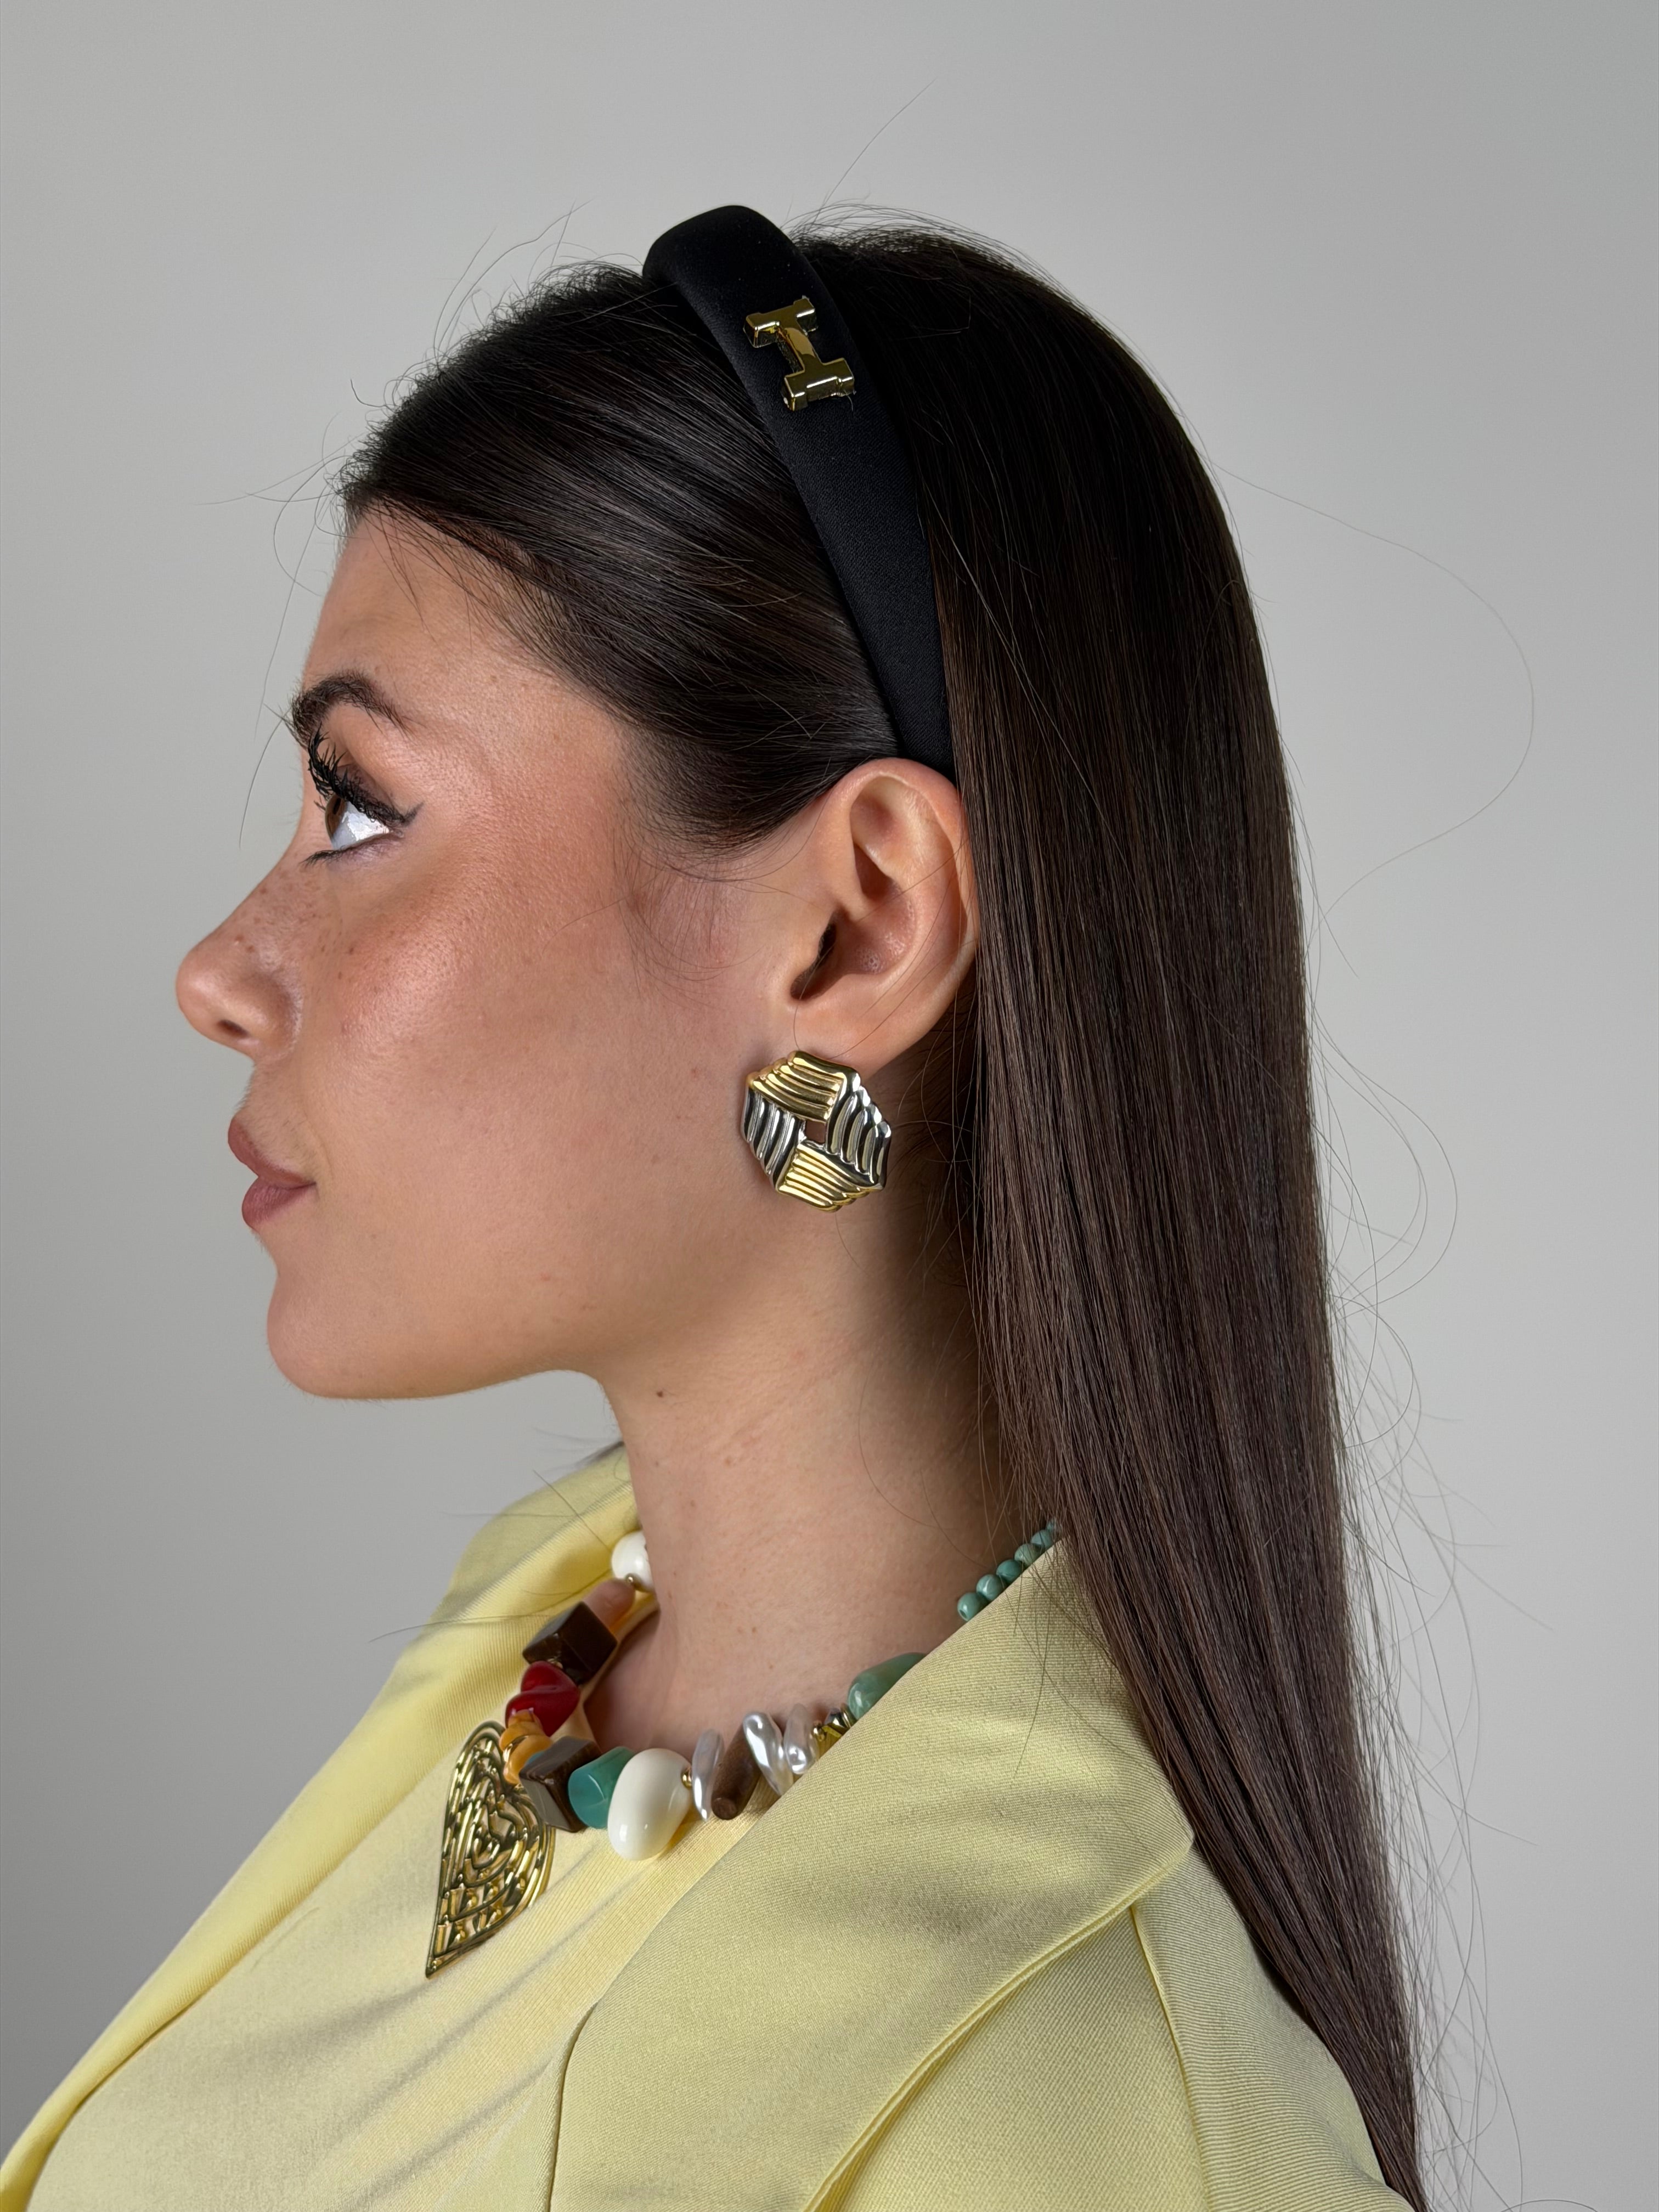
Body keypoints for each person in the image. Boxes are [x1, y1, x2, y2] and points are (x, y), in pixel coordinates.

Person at [4, 207, 1422, 2210]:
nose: (218, 973)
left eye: (363, 805)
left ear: (857, 926)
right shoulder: (542, 1649)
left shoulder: (1086, 2114)